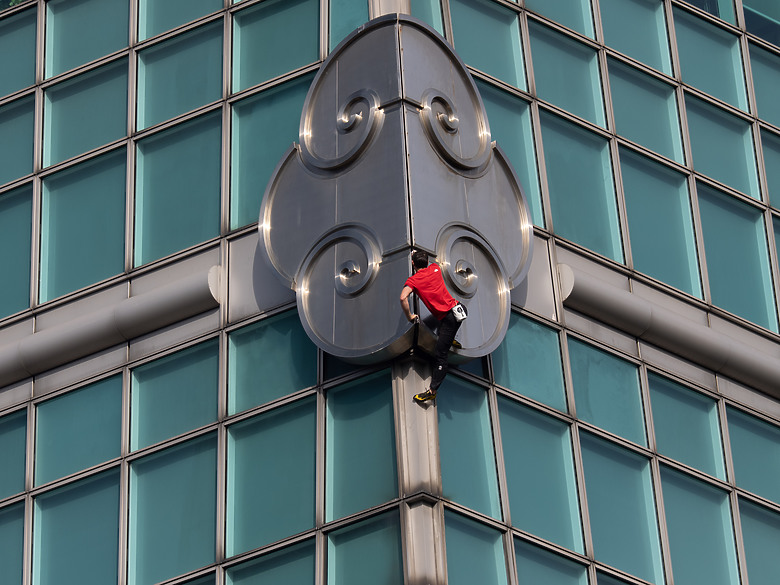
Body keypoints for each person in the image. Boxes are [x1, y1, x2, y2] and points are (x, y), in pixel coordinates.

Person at [400, 250, 467, 403]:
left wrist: (410, 316)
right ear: (427, 261)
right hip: (458, 309)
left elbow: (403, 297)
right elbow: (427, 261)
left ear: (412, 264)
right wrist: (417, 254)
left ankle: (432, 391)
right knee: (441, 327)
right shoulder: (435, 268)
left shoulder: (414, 280)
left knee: (440, 355)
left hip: (449, 319)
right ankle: (449, 339)